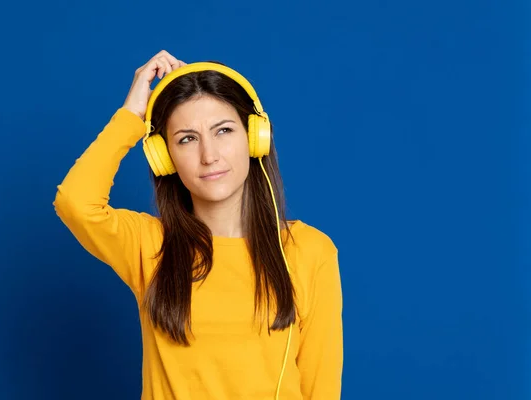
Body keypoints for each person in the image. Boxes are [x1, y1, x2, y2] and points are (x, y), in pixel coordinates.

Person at [53, 50, 343, 400]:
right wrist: (131, 116)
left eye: (223, 131)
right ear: (165, 158)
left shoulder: (309, 251)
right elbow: (75, 202)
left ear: (255, 137)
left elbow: (320, 388)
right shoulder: (150, 245)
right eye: (187, 139)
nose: (209, 155)